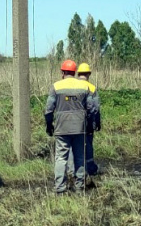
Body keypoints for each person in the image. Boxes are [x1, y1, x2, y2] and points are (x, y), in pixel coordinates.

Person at [44, 59, 99, 194]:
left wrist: (49, 125)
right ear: (75, 72)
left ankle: (60, 188)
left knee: (61, 158)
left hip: (61, 128)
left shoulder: (56, 87)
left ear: (62, 72)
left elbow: (48, 109)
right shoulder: (84, 87)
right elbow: (92, 108)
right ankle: (80, 187)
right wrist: (91, 125)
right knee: (80, 157)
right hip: (80, 128)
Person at [76, 62, 101, 176]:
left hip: (73, 121)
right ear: (88, 74)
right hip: (88, 121)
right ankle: (90, 168)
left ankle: (77, 169)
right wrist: (97, 121)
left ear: (78, 74)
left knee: (75, 144)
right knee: (88, 144)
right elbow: (95, 107)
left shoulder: (73, 86)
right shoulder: (92, 87)